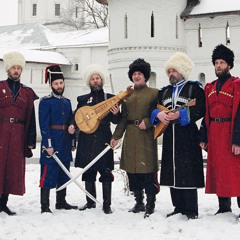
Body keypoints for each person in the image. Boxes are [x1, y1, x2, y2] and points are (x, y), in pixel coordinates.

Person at [151, 52, 205, 219]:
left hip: (187, 135)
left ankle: (191, 209)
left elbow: (201, 108)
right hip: (169, 136)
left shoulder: (194, 88)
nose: (171, 74)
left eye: (174, 71)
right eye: (169, 71)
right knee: (172, 170)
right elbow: (153, 108)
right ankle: (178, 206)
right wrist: (158, 115)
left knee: (187, 171)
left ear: (182, 71)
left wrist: (180, 115)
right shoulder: (164, 91)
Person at [110, 58, 160, 218]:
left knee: (147, 171)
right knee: (132, 171)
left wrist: (148, 122)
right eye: (134, 74)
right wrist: (116, 136)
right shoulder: (127, 96)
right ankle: (139, 202)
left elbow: (158, 112)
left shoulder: (154, 93)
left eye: (140, 73)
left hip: (146, 136)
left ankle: (151, 204)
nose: (137, 76)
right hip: (131, 136)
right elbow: (124, 118)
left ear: (145, 76)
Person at [72, 64, 120, 214]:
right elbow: (77, 118)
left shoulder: (110, 99)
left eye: (97, 78)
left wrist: (116, 113)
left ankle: (107, 204)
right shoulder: (83, 100)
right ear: (89, 82)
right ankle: (90, 202)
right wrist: (73, 126)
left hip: (103, 137)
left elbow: (116, 121)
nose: (95, 81)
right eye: (92, 79)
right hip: (87, 139)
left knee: (106, 172)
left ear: (102, 80)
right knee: (88, 171)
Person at [199, 44, 240, 217]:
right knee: (220, 171)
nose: (219, 66)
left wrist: (238, 139)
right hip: (215, 133)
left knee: (236, 171)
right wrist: (203, 136)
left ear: (229, 65)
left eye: (222, 62)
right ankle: (224, 207)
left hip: (230, 131)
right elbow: (206, 113)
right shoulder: (209, 87)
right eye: (216, 62)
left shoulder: (237, 84)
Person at [0, 51, 38, 215]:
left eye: (19, 68)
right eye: (13, 68)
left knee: (11, 169)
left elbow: (31, 117)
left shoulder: (27, 92)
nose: (16, 71)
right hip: (1, 131)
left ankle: (4, 203)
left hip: (18, 134)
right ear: (8, 70)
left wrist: (30, 140)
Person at [39, 64, 77, 213]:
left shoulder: (67, 102)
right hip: (52, 143)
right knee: (49, 173)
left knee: (64, 173)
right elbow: (44, 126)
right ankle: (45, 206)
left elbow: (71, 122)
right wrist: (48, 144)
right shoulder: (45, 102)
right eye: (56, 83)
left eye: (61, 83)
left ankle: (61, 201)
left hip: (65, 143)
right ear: (51, 85)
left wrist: (72, 140)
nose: (59, 86)